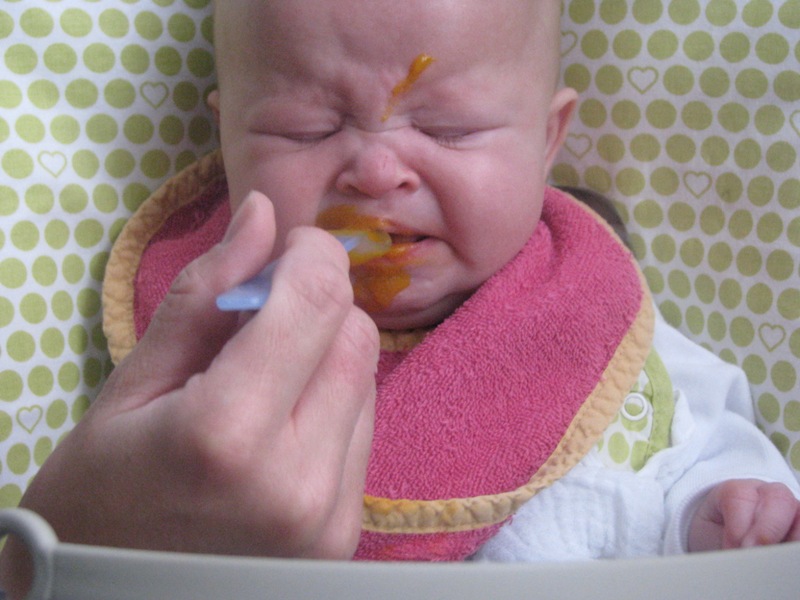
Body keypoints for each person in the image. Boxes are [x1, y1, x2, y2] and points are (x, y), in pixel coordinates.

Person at [2, 0, 799, 595]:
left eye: (448, 128)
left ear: (547, 140)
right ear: (227, 140)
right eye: (306, 130)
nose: (378, 174)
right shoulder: (210, 324)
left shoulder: (584, 309)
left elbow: (702, 438)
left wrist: (719, 508)